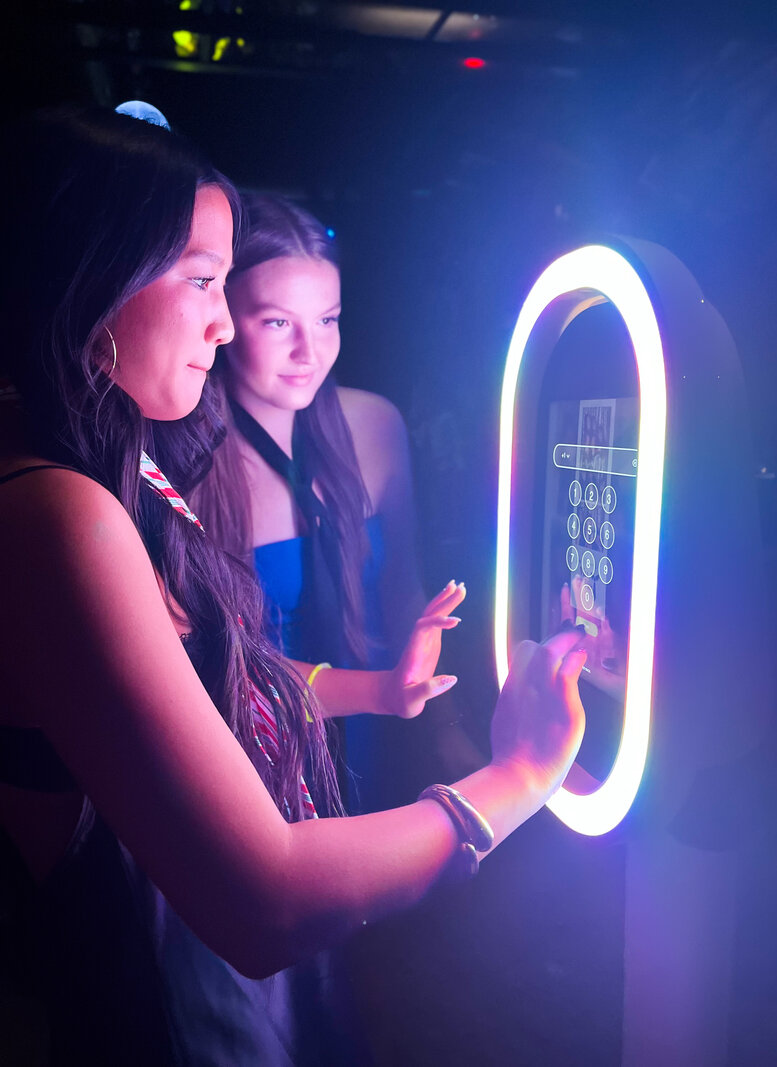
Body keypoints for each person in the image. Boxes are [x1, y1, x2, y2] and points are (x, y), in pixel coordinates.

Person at [0, 105, 586, 1066]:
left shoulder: (110, 469)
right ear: (87, 271)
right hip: (163, 1003)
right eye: (201, 279)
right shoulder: (60, 514)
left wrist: (379, 692)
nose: (223, 323)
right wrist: (515, 776)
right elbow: (262, 899)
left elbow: (210, 684)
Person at [191, 193, 477, 812]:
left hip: (385, 739)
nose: (309, 353)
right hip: (255, 763)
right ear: (223, 315)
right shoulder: (189, 462)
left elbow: (405, 592)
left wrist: (446, 731)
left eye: (327, 320)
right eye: (276, 322)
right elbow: (217, 668)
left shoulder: (375, 426)